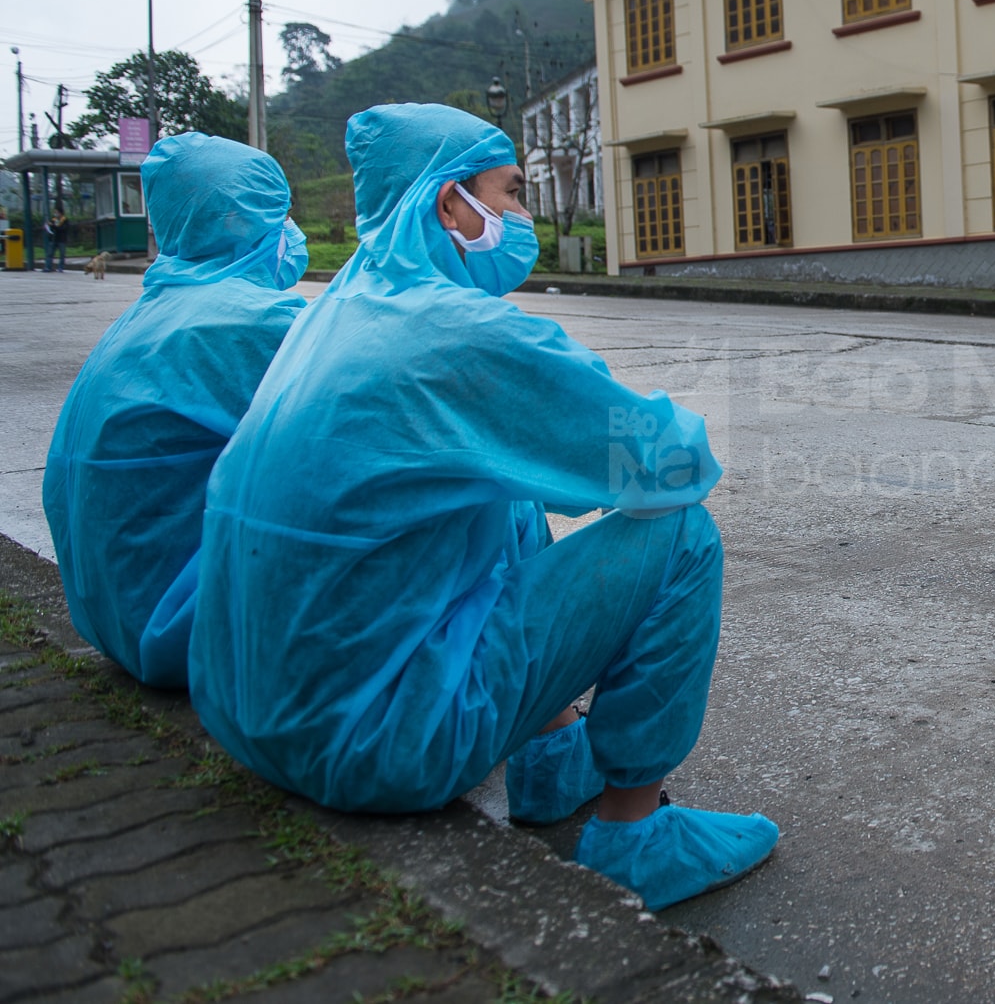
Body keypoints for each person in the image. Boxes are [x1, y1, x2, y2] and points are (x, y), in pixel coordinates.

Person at [188, 103, 777, 910]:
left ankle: (552, 755)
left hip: (250, 715)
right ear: (448, 203)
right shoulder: (456, 329)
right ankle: (638, 834)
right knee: (682, 534)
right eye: (506, 194)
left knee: (498, 490)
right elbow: (671, 461)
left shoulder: (326, 313)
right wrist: (582, 388)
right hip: (374, 745)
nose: (518, 217)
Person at [43, 133, 309, 687]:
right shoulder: (251, 321)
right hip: (180, 624)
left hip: (116, 610)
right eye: (280, 215)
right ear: (242, 222)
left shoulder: (151, 311)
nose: (292, 233)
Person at [43, 205, 68, 272]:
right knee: (50, 254)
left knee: (62, 254)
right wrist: (48, 226)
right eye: (55, 212)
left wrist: (53, 226)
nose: (55, 214)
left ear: (61, 213)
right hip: (53, 239)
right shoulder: (53, 220)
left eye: (57, 212)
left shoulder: (65, 220)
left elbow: (62, 229)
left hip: (61, 239)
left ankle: (60, 267)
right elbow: (52, 228)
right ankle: (48, 267)